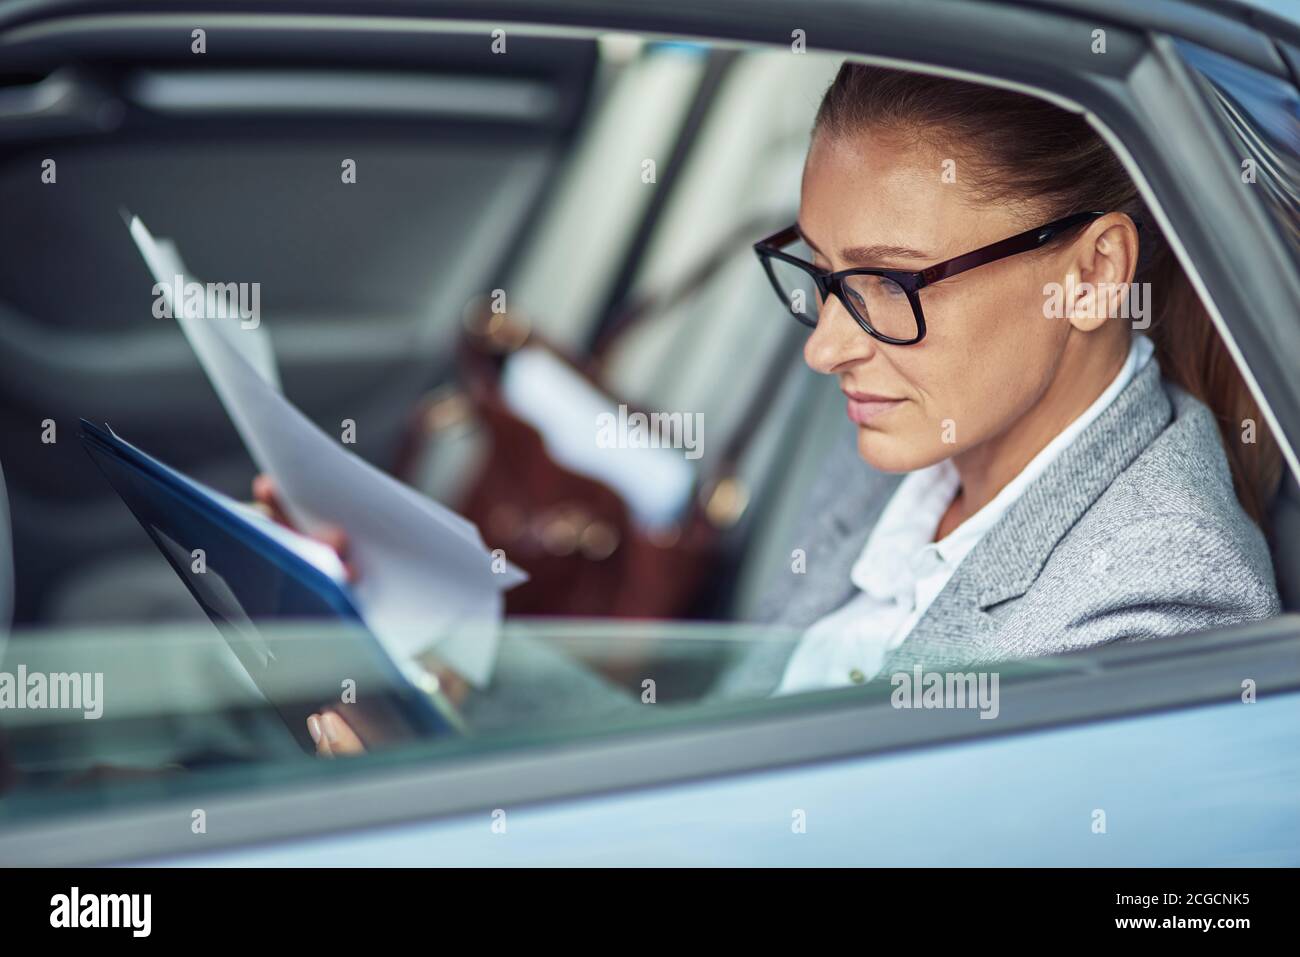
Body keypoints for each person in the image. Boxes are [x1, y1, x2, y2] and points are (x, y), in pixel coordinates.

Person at [262, 62, 1282, 755]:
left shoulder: (1150, 613)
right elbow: (730, 755)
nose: (824, 346)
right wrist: (439, 659)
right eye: (822, 275)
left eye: (888, 283)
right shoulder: (907, 449)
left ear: (1096, 272)